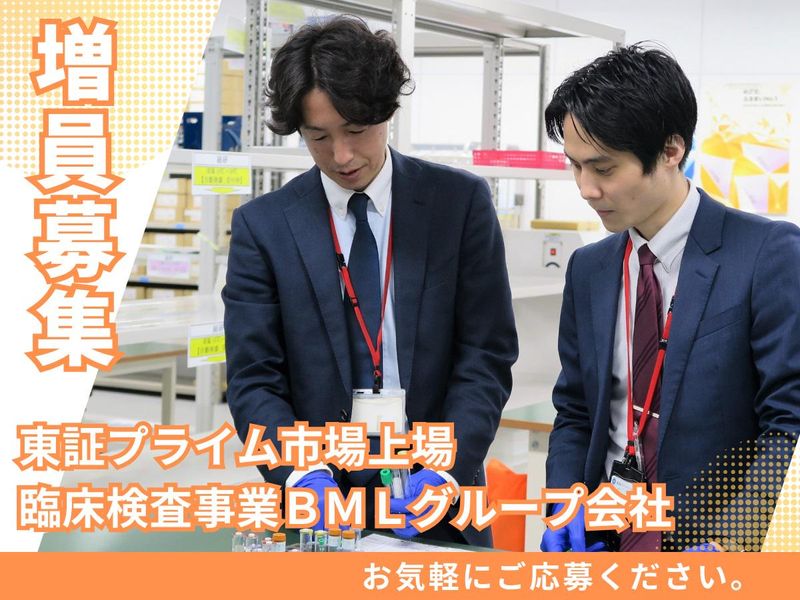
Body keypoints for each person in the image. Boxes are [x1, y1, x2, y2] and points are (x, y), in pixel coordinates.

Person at [222, 15, 518, 548]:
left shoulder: (457, 205)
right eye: (318, 137)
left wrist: (445, 468)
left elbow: (485, 354)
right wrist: (299, 473)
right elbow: (253, 377)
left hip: (441, 496)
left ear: (386, 111)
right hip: (319, 507)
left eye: (356, 131)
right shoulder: (263, 227)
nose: (341, 156)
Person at [540, 44, 800, 552]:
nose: (586, 189)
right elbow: (575, 409)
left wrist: (732, 543)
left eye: (603, 169)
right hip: (604, 538)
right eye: (574, 166)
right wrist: (564, 503)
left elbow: (788, 422)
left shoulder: (766, 254)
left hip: (712, 543)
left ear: (671, 150)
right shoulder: (590, 269)